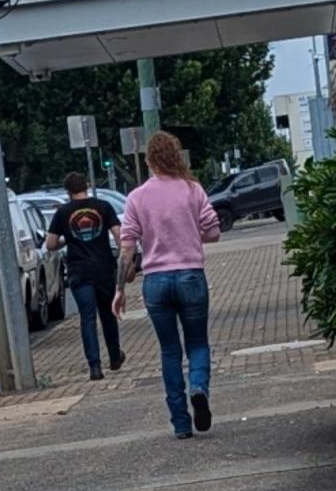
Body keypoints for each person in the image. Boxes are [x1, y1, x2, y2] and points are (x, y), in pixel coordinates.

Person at [113, 131, 221, 439]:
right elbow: (213, 232)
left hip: (156, 281)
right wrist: (188, 234)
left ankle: (181, 423)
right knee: (198, 343)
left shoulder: (136, 197)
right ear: (176, 156)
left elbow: (127, 248)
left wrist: (120, 290)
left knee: (170, 350)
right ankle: (198, 387)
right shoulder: (192, 189)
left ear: (148, 161)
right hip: (190, 275)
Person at [47, 172, 125, 381]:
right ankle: (115, 356)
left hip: (79, 271)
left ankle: (94, 366)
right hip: (103, 268)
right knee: (109, 314)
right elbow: (119, 235)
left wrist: (67, 240)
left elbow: (50, 244)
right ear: (87, 186)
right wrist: (126, 260)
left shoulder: (62, 213)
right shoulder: (104, 206)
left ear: (68, 191)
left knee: (87, 318)